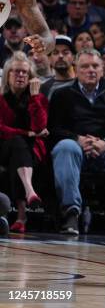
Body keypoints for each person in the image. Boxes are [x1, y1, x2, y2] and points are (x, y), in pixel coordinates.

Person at [49, 48, 105, 237]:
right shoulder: (61, 95)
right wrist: (78, 139)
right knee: (66, 146)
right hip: (75, 149)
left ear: (102, 70)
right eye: (85, 66)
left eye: (95, 66)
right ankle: (71, 213)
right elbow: (54, 129)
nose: (90, 70)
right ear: (75, 68)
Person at [0, 52, 48, 233]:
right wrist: (27, 133)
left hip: (29, 151)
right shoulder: (1, 98)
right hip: (3, 146)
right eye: (16, 72)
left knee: (19, 149)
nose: (20, 75)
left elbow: (40, 125)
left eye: (25, 73)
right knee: (17, 142)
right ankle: (28, 195)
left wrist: (35, 98)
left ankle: (21, 216)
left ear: (31, 78)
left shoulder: (39, 99)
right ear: (7, 74)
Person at [41, 35, 76, 100]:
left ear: (74, 58)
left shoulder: (82, 84)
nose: (60, 56)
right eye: (55, 52)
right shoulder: (44, 88)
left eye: (65, 52)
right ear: (49, 59)